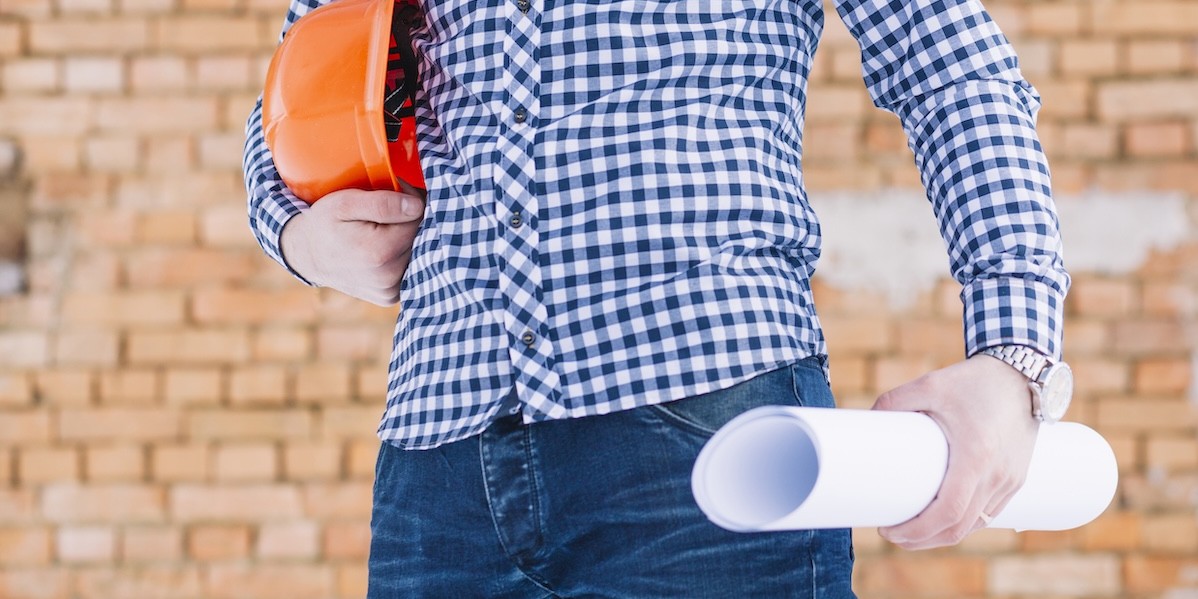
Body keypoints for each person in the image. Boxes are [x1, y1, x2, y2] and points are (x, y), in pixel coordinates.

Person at [243, 0, 1070, 596]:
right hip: (442, 467)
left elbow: (953, 68)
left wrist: (1012, 355)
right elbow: (301, 73)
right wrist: (294, 231)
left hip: (703, 438)